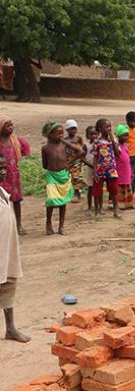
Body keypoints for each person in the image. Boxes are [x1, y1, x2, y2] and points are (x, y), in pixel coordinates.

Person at [0, 152, 30, 343]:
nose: (3, 171)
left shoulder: (3, 191)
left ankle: (10, 328)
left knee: (8, 286)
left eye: (3, 167)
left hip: (7, 253)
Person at [41, 122, 80, 235]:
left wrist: (69, 162)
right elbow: (45, 165)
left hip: (63, 175)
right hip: (52, 176)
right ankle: (48, 223)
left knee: (63, 201)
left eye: (62, 134)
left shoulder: (64, 145)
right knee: (51, 200)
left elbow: (80, 151)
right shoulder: (45, 148)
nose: (61, 136)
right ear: (50, 135)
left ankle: (61, 226)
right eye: (58, 134)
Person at [0, 116, 30, 235]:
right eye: (7, 125)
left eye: (12, 125)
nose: (11, 127)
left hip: (13, 175)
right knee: (3, 200)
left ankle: (18, 225)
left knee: (16, 200)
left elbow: (26, 147)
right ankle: (5, 224)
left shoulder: (15, 140)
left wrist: (21, 157)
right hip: (2, 176)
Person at [92, 118, 120, 218]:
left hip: (111, 168)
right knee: (97, 191)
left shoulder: (114, 140)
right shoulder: (97, 142)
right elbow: (95, 157)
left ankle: (116, 210)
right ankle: (97, 210)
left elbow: (118, 153)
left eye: (110, 126)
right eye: (106, 126)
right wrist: (95, 171)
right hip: (100, 169)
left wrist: (112, 140)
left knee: (114, 190)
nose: (109, 129)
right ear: (100, 128)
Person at [63, 119, 86, 202]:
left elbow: (83, 147)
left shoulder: (78, 138)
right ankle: (73, 193)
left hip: (77, 162)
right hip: (68, 162)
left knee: (77, 177)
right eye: (71, 129)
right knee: (70, 178)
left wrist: (83, 159)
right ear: (67, 130)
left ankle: (77, 194)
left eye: (75, 128)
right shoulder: (64, 140)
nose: (74, 130)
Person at [114, 125, 135, 210]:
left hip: (126, 172)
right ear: (118, 136)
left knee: (127, 188)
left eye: (127, 135)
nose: (126, 137)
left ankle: (128, 203)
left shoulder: (125, 147)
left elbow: (128, 161)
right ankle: (120, 205)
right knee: (119, 189)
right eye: (124, 135)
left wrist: (131, 172)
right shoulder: (117, 148)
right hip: (120, 173)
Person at [82, 126, 98, 212]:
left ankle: (98, 206)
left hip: (99, 169)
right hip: (89, 168)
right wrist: (91, 165)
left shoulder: (100, 144)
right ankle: (89, 206)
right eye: (91, 134)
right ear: (87, 136)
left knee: (98, 187)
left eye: (95, 134)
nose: (94, 136)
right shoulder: (86, 145)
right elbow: (82, 158)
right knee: (90, 188)